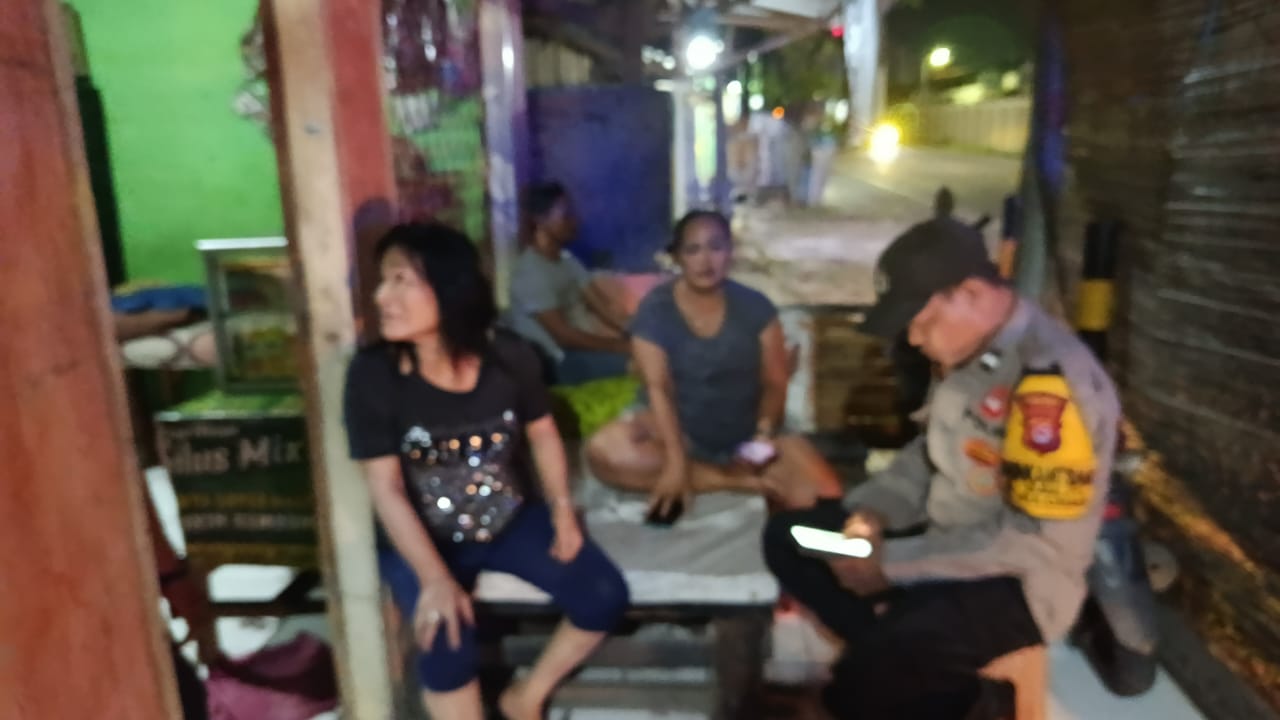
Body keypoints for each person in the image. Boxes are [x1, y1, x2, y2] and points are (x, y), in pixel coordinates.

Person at [762, 219, 1120, 719]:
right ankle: (896, 643)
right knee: (791, 539)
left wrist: (892, 564)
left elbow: (1032, 543)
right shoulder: (969, 353)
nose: (912, 338)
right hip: (936, 542)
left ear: (970, 293)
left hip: (1011, 581)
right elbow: (927, 457)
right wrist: (870, 515)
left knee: (857, 692)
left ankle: (960, 692)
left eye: (921, 321)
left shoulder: (1050, 385)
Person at [343, 223, 629, 720]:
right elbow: (385, 488)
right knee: (447, 643)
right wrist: (434, 578)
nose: (381, 296)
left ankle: (525, 697)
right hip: (425, 537)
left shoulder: (509, 357)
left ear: (449, 286)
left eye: (400, 280)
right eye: (382, 281)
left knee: (602, 595)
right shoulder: (374, 375)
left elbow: (543, 433)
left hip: (509, 521)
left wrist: (563, 511)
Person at [586, 209, 843, 519]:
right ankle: (730, 481)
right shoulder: (655, 311)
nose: (705, 261)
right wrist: (676, 462)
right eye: (693, 250)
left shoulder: (756, 307)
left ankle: (718, 474)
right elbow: (659, 388)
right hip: (675, 432)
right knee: (605, 451)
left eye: (716, 247)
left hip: (745, 431)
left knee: (824, 494)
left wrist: (762, 435)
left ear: (730, 252)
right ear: (678, 257)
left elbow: (775, 382)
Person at [507, 182, 631, 385]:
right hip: (556, 363)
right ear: (540, 220)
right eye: (565, 215)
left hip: (578, 352)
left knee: (652, 355)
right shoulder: (530, 273)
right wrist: (621, 346)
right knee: (642, 364)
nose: (575, 221)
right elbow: (565, 337)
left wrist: (640, 333)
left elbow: (604, 308)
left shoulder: (567, 262)